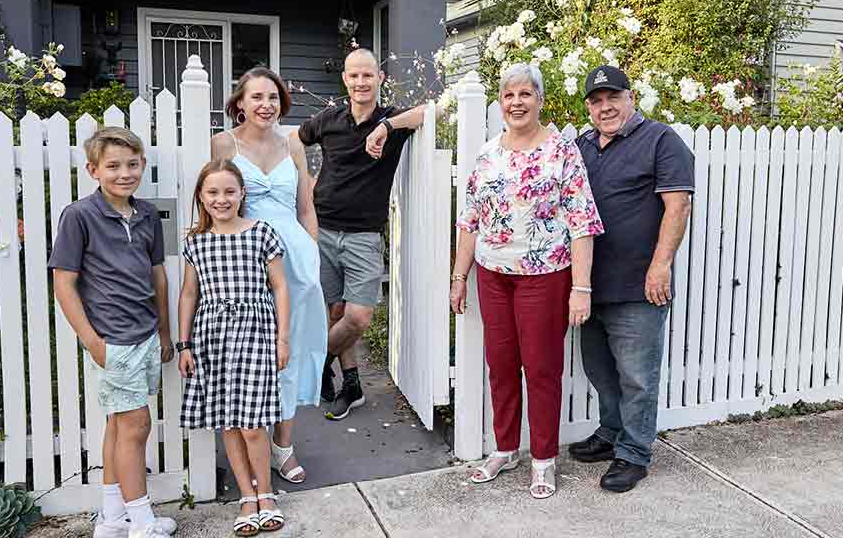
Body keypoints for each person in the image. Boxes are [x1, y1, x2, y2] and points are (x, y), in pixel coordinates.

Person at [449, 63, 604, 499]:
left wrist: (581, 287)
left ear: (539, 100)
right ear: (500, 103)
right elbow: (470, 220)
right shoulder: (486, 154)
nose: (516, 102)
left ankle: (543, 459)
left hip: (545, 278)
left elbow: (582, 222)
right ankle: (504, 449)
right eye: (509, 95)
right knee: (500, 365)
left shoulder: (562, 151)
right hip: (494, 277)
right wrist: (460, 277)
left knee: (541, 369)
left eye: (525, 94)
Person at [49, 126, 184, 538]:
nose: (124, 173)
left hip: (145, 335)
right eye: (112, 166)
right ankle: (142, 529)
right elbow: (64, 285)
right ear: (93, 170)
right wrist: (92, 340)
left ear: (142, 165)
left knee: (117, 424)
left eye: (131, 164)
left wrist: (165, 334)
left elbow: (158, 276)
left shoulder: (146, 216)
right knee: (136, 426)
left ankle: (112, 518)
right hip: (113, 339)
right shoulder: (79, 216)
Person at [568, 65, 694, 493]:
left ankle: (634, 453)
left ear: (630, 97)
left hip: (638, 286)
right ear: (588, 106)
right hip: (589, 286)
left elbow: (677, 208)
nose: (605, 107)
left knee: (637, 377)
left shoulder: (661, 141)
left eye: (612, 98)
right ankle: (610, 433)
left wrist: (660, 266)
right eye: (596, 100)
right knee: (601, 371)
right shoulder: (582, 146)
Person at [292, 47, 426, 420]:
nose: (361, 82)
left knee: (358, 317)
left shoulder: (392, 119)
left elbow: (430, 112)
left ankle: (317, 364)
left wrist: (385, 127)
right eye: (354, 75)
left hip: (363, 235)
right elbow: (293, 140)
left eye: (368, 75)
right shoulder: (329, 120)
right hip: (322, 229)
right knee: (335, 312)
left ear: (379, 79)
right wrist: (305, 183)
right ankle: (351, 384)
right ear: (345, 80)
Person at [213, 67, 326, 485]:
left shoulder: (292, 143)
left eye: (273, 98)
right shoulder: (223, 144)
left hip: (296, 262)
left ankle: (284, 447)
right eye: (257, 97)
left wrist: (311, 253)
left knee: (291, 351)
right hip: (244, 261)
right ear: (240, 103)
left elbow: (306, 209)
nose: (266, 105)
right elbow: (214, 200)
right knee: (252, 355)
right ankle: (250, 441)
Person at [176, 159, 291, 536]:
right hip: (212, 336)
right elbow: (189, 293)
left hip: (256, 332)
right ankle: (246, 496)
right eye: (212, 192)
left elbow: (279, 287)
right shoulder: (195, 241)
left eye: (229, 191)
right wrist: (185, 344)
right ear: (201, 197)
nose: (221, 199)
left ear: (243, 193)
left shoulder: (261, 232)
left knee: (253, 424)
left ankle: (267, 494)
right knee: (228, 421)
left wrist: (282, 338)